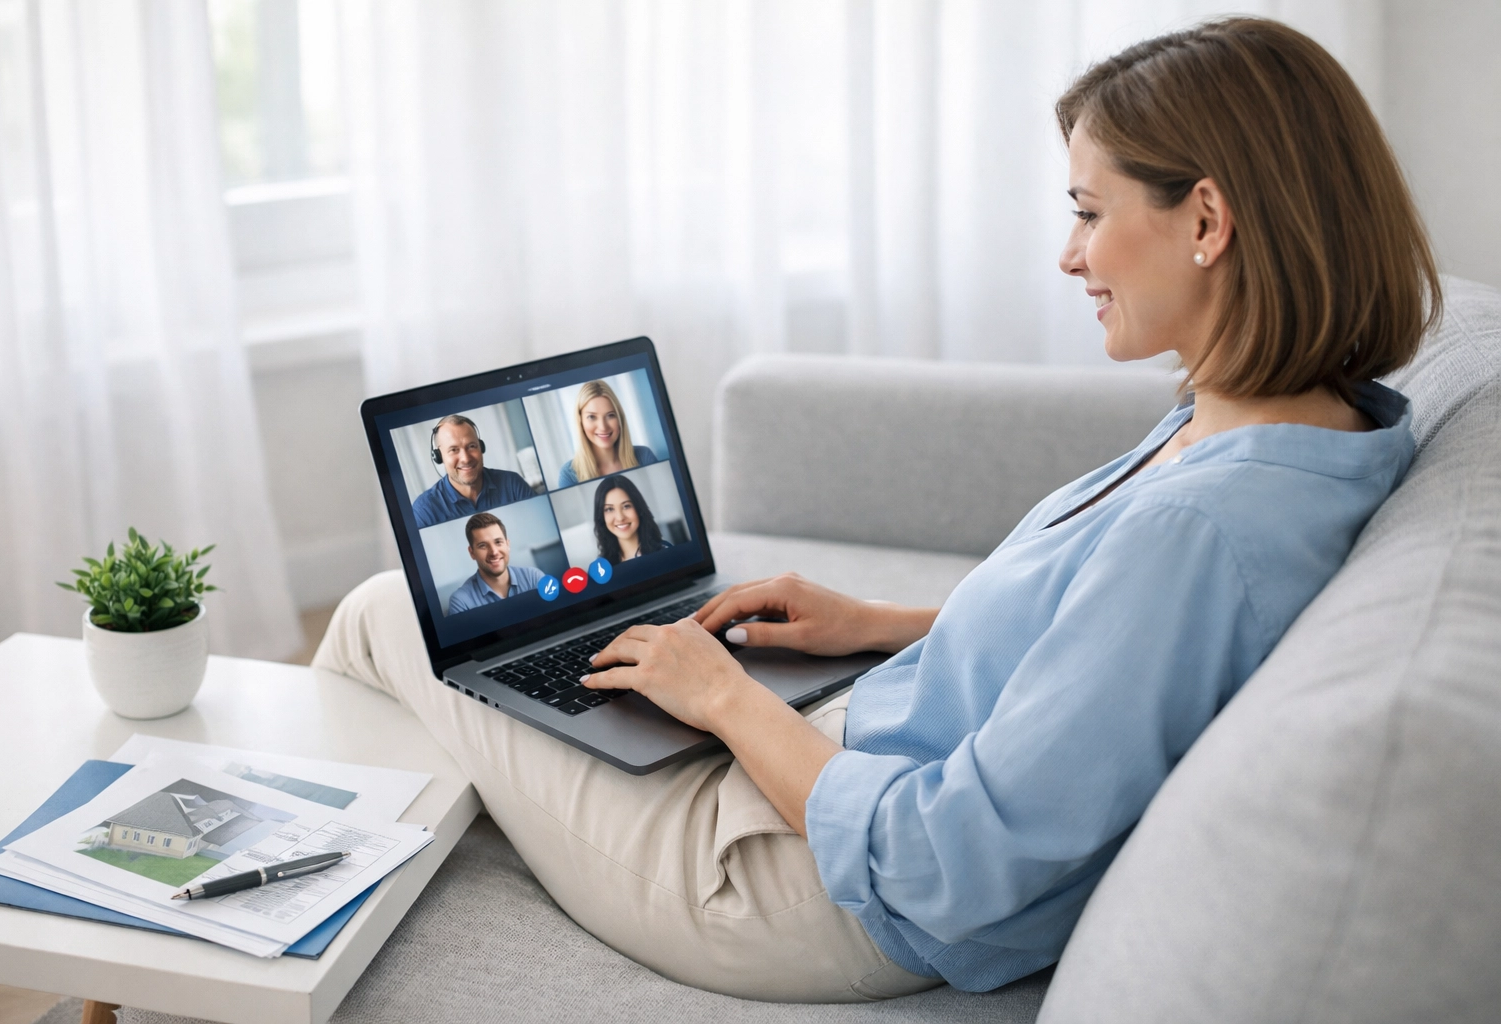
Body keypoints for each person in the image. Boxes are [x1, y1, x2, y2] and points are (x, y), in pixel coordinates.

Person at [316, 19, 1439, 1002]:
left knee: (382, 613)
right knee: (521, 671)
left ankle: (267, 932)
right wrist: (876, 624)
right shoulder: (1285, 421)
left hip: (806, 892)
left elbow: (948, 862)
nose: (1069, 255)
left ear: (1207, 219)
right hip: (842, 762)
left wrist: (726, 704)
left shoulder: (1206, 527)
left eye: (1089, 213)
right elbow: (1095, 650)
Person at [412, 414, 536, 529]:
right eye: (454, 450)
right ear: (439, 457)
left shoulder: (512, 483)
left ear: (481, 447)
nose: (465, 458)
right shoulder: (425, 509)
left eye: (471, 446)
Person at [555, 380, 659, 487]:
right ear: (580, 421)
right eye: (592, 417)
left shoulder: (644, 456)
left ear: (619, 418)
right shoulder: (569, 475)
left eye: (610, 415)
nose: (603, 427)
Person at [446, 513, 546, 614]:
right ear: (472, 553)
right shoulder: (461, 602)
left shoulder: (534, 578)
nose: (494, 552)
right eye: (482, 545)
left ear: (507, 545)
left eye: (498, 542)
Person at [592, 474, 669, 564]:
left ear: (639, 508)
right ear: (601, 517)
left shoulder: (665, 551)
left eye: (626, 506)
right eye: (609, 509)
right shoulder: (601, 569)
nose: (620, 518)